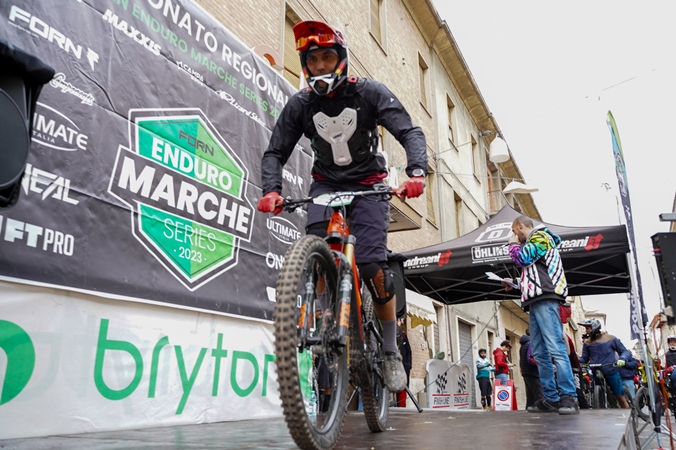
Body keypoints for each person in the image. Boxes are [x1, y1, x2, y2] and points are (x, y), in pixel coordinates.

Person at [257, 20, 428, 393]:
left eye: (326, 57)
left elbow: (409, 131)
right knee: (318, 249)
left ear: (341, 59)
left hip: (369, 184)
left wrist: (416, 172)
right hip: (326, 185)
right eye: (312, 60)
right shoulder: (301, 104)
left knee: (370, 265)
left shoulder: (368, 92)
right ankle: (326, 321)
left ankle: (388, 349)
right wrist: (272, 190)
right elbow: (275, 152)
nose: (319, 66)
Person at [502, 215, 579, 415]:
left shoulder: (540, 237)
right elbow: (535, 272)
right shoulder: (535, 243)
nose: (514, 236)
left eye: (514, 232)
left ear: (520, 226)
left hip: (546, 298)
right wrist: (515, 283)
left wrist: (512, 245)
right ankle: (551, 397)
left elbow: (522, 259)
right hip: (536, 300)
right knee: (539, 353)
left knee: (555, 348)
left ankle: (569, 396)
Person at [577, 318, 631, 409]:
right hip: (596, 373)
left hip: (611, 371)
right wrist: (575, 362)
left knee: (620, 398)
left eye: (587, 328)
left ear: (594, 327)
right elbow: (584, 358)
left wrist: (622, 359)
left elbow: (624, 351)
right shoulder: (587, 343)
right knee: (597, 398)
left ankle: (630, 414)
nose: (586, 331)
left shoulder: (611, 338)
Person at [519, 329, 542, 409]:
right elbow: (532, 359)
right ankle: (540, 408)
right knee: (538, 394)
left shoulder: (524, 344)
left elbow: (521, 360)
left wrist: (522, 369)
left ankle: (529, 410)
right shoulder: (532, 343)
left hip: (526, 372)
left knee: (530, 396)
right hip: (533, 372)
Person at [395, 318, 412, 407]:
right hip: (392, 369)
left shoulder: (403, 335)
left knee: (402, 395)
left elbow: (409, 352)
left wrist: (408, 365)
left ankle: (401, 408)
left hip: (403, 369)